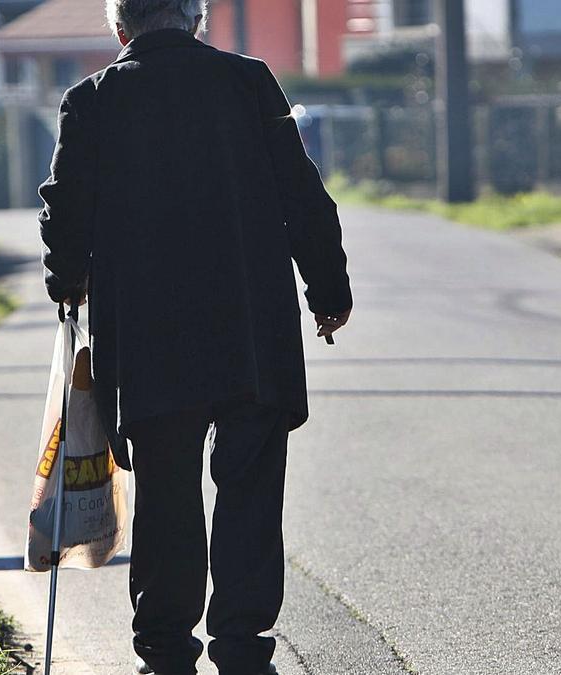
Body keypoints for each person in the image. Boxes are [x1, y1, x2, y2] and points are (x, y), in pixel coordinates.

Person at [38, 0, 352, 673]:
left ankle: (166, 654)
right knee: (249, 495)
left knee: (168, 501)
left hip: (152, 346)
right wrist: (329, 292)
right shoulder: (249, 83)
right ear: (197, 21)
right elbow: (303, 194)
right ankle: (242, 650)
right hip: (252, 333)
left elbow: (66, 207)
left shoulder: (91, 101)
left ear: (121, 30)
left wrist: (66, 283)